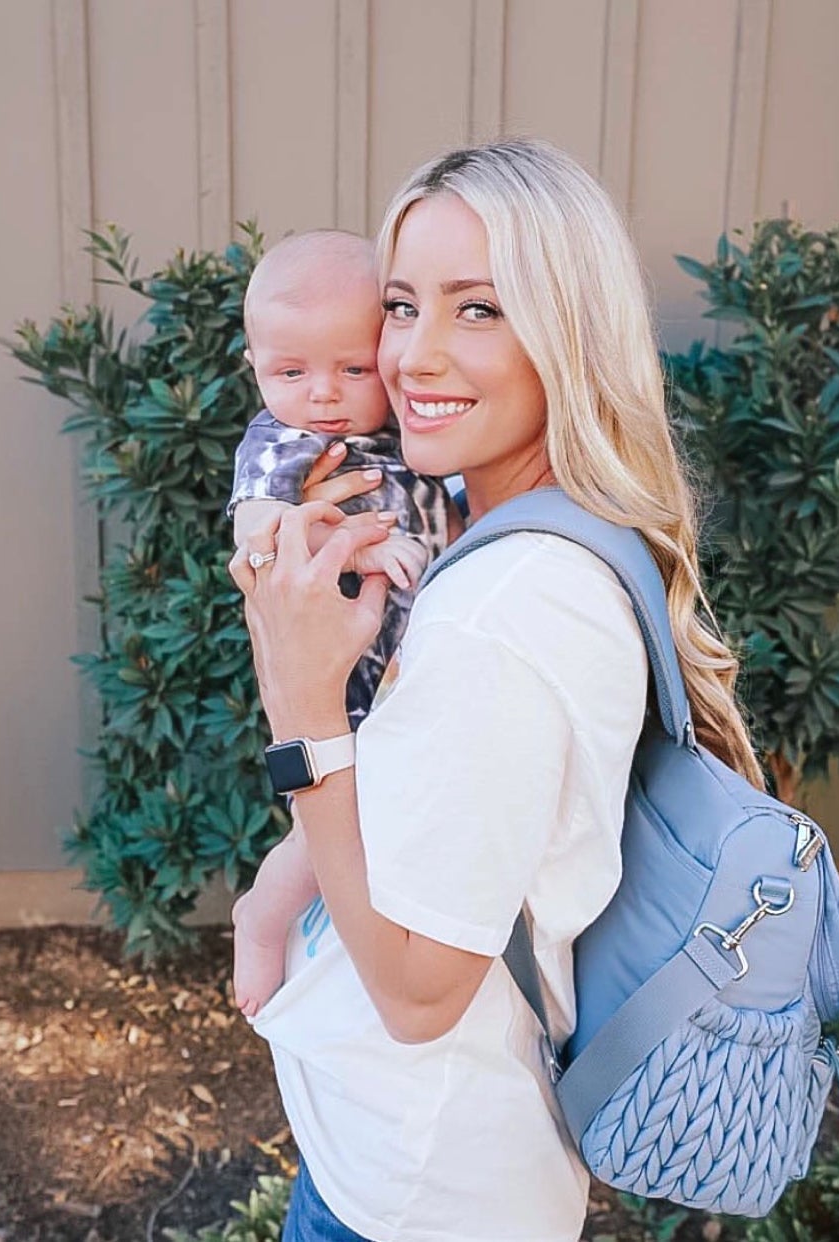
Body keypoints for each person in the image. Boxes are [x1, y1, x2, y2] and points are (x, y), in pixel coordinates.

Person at [228, 138, 765, 1242]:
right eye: (400, 304)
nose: (416, 356)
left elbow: (420, 996)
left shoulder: (506, 606)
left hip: (413, 1188)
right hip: (435, 1159)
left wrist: (302, 710)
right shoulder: (548, 534)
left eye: (479, 308)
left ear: (566, 332)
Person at [226, 229, 458, 1019]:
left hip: (408, 666)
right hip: (348, 682)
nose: (323, 393)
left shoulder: (406, 434)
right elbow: (259, 532)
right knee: (327, 836)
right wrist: (356, 537)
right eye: (292, 371)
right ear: (255, 366)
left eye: (352, 369)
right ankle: (261, 920)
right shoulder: (283, 439)